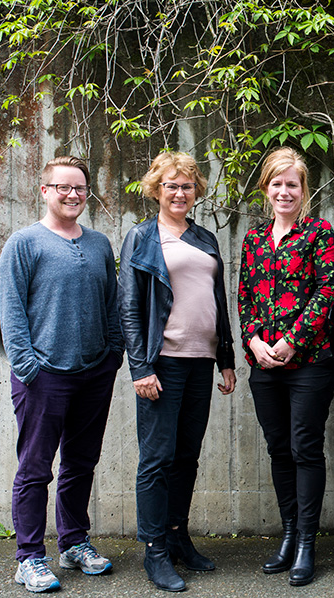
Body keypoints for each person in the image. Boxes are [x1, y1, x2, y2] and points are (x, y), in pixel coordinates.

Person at [0, 155, 123, 593]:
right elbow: (12, 313)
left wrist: (113, 354)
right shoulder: (24, 242)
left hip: (94, 372)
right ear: (45, 191)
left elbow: (112, 303)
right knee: (34, 469)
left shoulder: (100, 244)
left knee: (81, 463)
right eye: (64, 187)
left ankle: (73, 542)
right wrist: (28, 367)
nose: (73, 195)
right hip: (43, 376)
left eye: (81, 188)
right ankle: (29, 557)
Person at [118, 151, 236, 592]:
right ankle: (154, 551)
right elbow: (129, 307)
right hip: (161, 363)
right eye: (171, 185)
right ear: (156, 189)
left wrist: (225, 358)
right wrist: (141, 367)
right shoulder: (142, 237)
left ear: (195, 190)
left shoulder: (205, 238)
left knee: (187, 455)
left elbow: (217, 302)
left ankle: (177, 536)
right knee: (157, 459)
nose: (179, 192)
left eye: (186, 185)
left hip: (200, 362)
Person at [238, 148, 334, 586]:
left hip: (310, 362)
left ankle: (306, 544)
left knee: (304, 447)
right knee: (279, 449)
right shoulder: (253, 239)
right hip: (264, 364)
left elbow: (326, 293)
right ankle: (288, 534)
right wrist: (256, 342)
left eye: (292, 184)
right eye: (276, 183)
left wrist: (289, 342)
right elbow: (244, 298)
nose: (284, 191)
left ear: (304, 191)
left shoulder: (319, 232)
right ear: (266, 189)